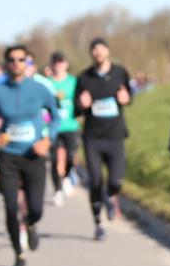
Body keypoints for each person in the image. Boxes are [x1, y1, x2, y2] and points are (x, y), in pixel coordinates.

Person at [0, 44, 60, 266]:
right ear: (7, 63)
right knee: (10, 207)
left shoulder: (39, 89)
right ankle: (18, 253)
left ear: (27, 62)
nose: (16, 63)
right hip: (9, 157)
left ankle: (31, 224)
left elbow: (55, 118)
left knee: (35, 208)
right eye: (12, 59)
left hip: (33, 156)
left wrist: (47, 141)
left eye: (21, 59)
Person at [75, 38, 131, 240]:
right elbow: (75, 108)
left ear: (107, 51)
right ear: (91, 53)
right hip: (93, 138)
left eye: (101, 48)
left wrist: (126, 98)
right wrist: (81, 105)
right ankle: (98, 223)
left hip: (115, 135)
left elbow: (128, 96)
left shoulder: (120, 73)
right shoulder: (83, 78)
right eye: (94, 49)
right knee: (96, 181)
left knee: (116, 181)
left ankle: (110, 195)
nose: (98, 52)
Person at [49, 52, 80, 206]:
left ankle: (68, 176)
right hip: (53, 127)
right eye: (56, 62)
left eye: (61, 62)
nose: (58, 65)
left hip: (70, 125)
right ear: (52, 65)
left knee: (71, 155)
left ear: (66, 64)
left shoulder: (73, 82)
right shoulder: (48, 83)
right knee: (55, 160)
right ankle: (58, 191)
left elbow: (79, 101)